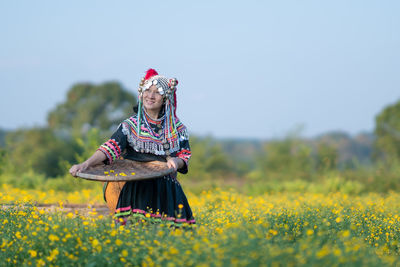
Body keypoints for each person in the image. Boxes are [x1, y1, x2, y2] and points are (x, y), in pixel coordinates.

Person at [69, 68, 195, 226]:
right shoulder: (130, 125)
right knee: (134, 234)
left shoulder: (178, 129)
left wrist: (176, 162)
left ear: (165, 98)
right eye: (147, 90)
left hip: (167, 191)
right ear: (141, 94)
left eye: (157, 92)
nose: (150, 95)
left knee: (171, 240)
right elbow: (110, 147)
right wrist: (85, 164)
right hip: (137, 189)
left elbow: (184, 155)